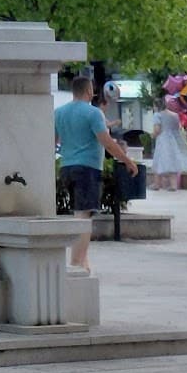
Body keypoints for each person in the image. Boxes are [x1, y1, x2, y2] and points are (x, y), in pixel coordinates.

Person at [54, 76, 138, 272]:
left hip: (67, 167)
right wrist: (127, 161)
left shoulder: (58, 113)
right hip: (88, 168)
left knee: (79, 212)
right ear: (89, 91)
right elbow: (106, 141)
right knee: (83, 217)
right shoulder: (93, 114)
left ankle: (84, 262)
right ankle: (76, 264)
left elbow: (55, 140)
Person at [149, 97, 187, 191]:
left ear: (156, 106)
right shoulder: (175, 115)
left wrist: (153, 135)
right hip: (173, 139)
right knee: (173, 160)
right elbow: (178, 128)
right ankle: (173, 185)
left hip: (162, 139)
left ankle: (157, 183)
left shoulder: (157, 115)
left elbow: (157, 129)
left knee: (159, 160)